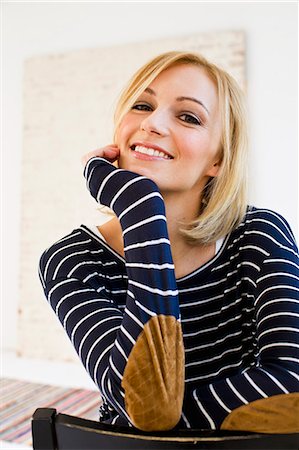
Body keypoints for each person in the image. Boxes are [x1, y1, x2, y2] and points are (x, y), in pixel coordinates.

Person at [39, 51, 299, 433]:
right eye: (142, 105)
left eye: (188, 116)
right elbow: (143, 402)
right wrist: (140, 211)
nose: (152, 123)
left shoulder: (258, 233)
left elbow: (291, 382)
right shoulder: (71, 260)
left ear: (219, 160)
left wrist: (167, 434)